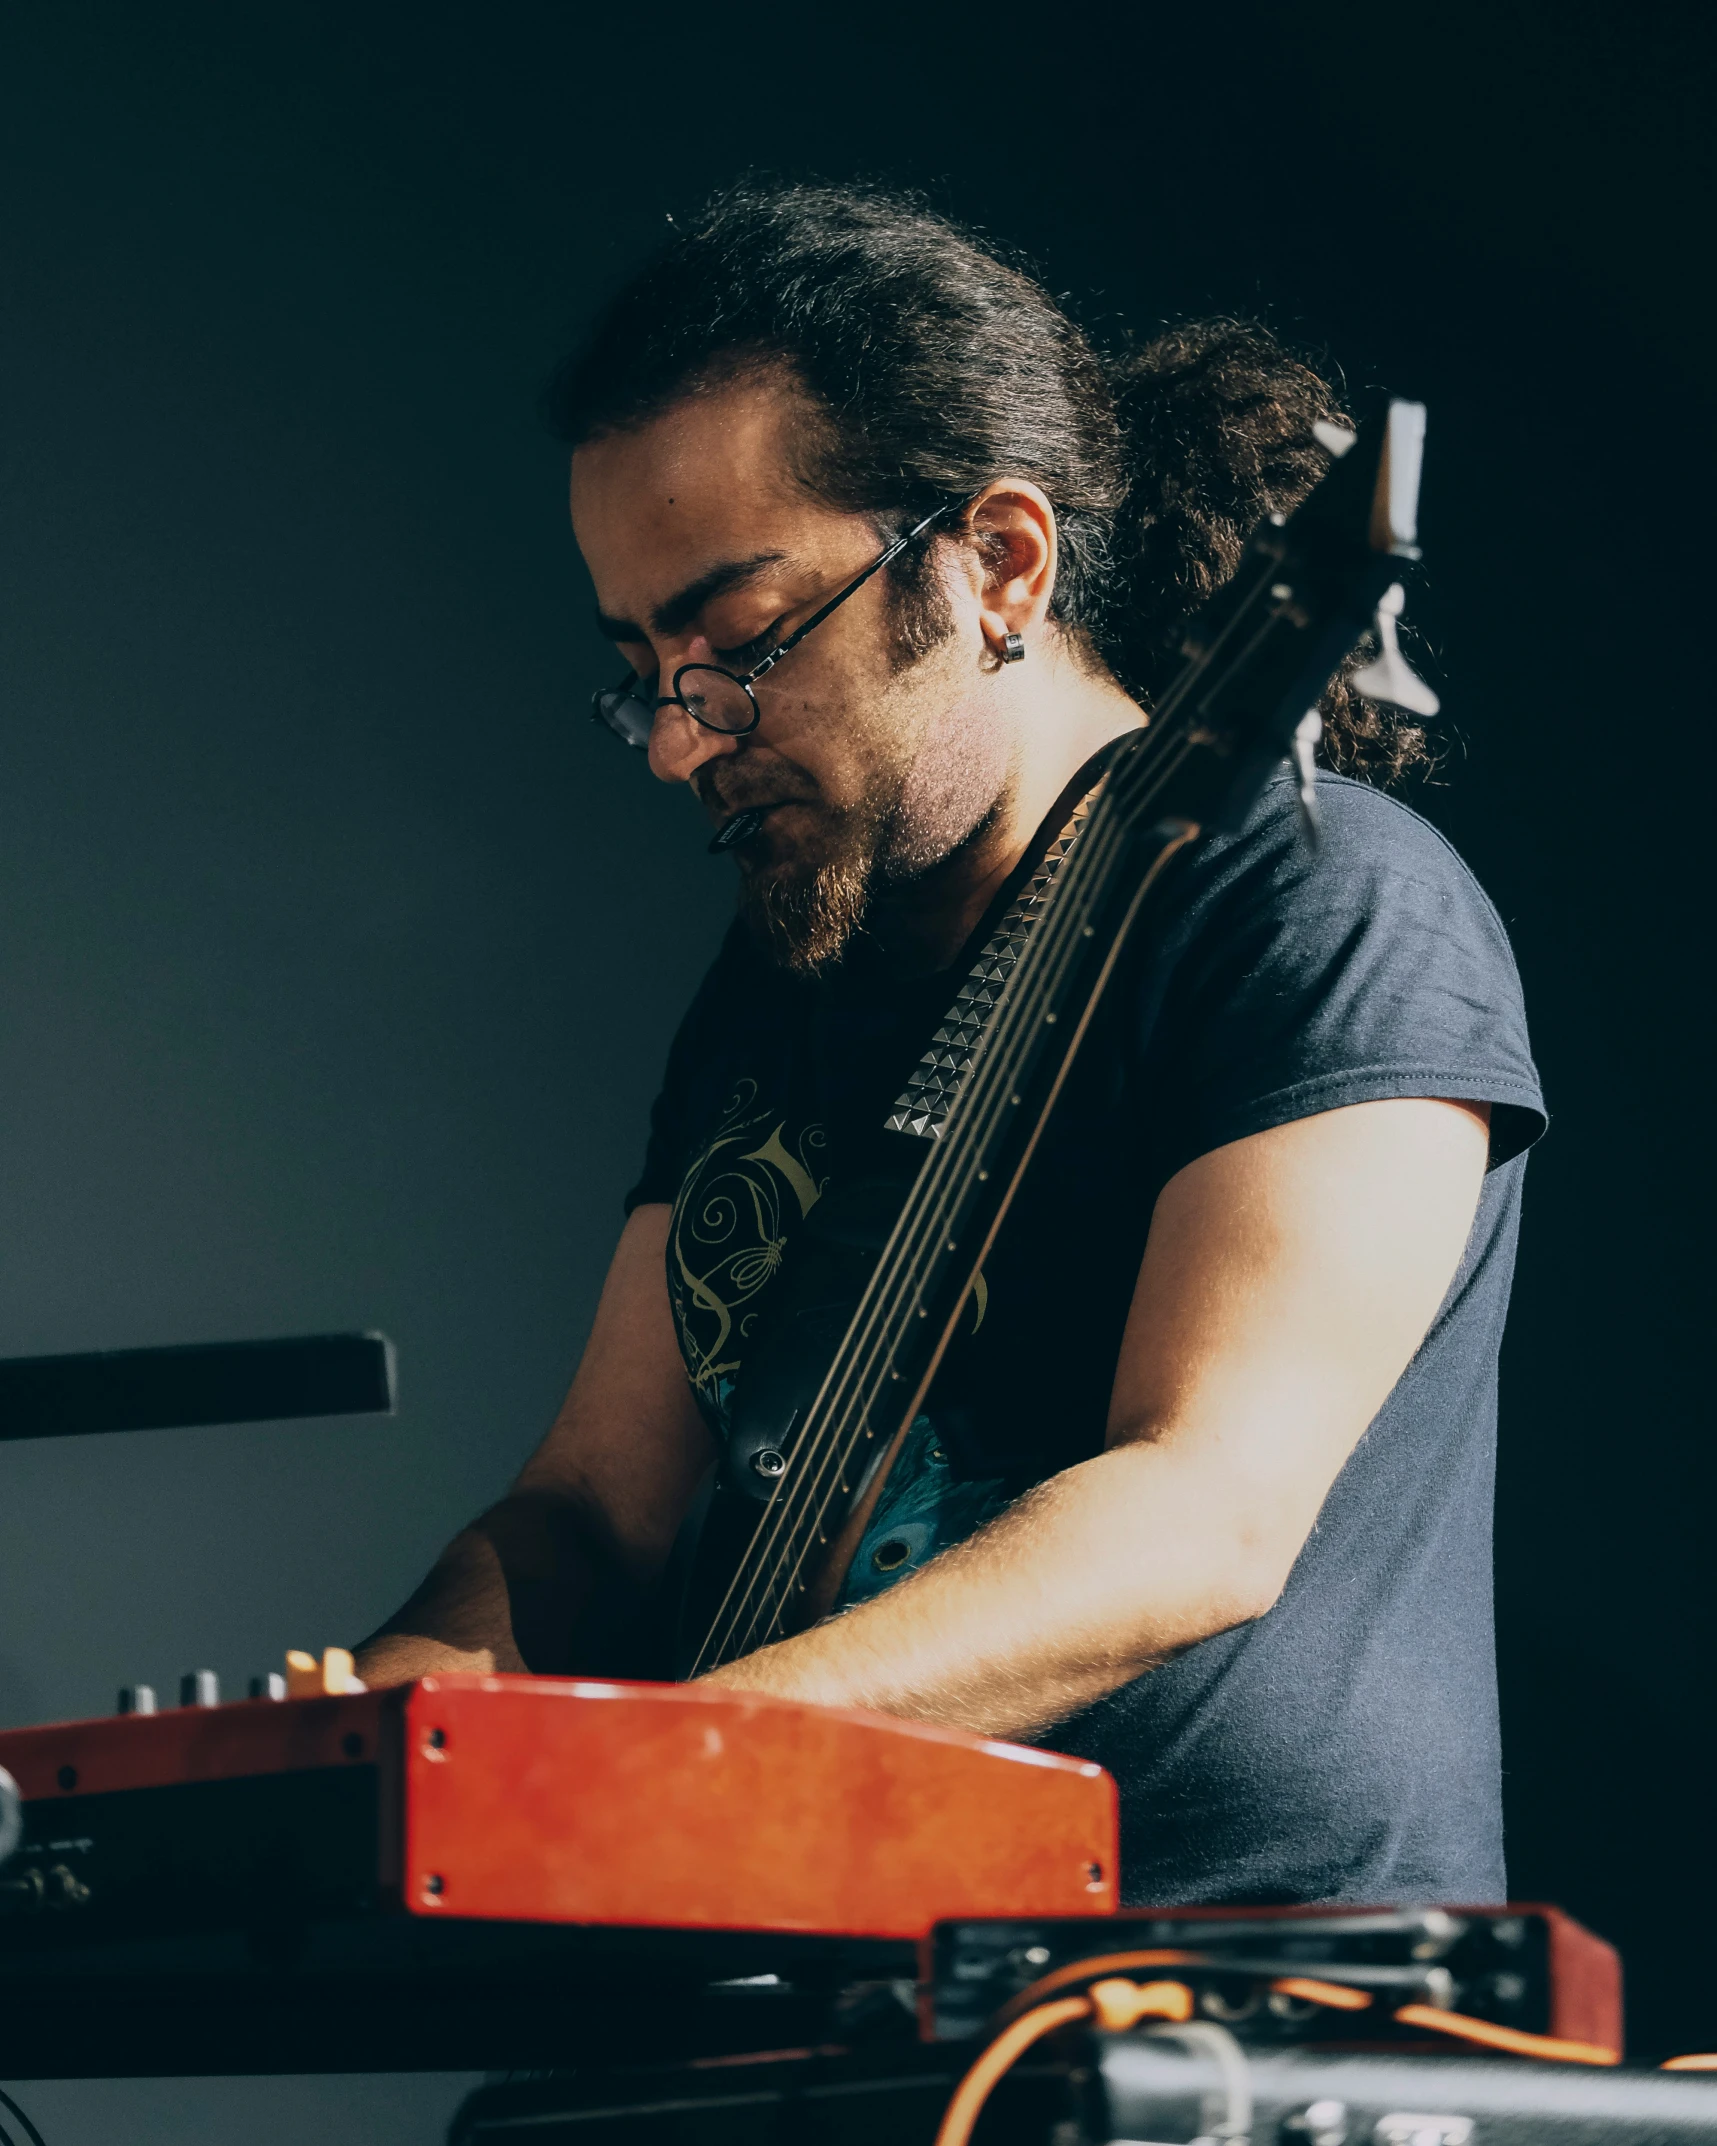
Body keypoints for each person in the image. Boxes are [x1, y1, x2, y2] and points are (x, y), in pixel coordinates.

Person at [355, 182, 1544, 1909]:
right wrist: (379, 1737)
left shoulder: (1325, 908)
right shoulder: (786, 975)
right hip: (803, 1985)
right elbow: (596, 1512)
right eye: (644, 670)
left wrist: (646, 1761)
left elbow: (1198, 1512)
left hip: (1209, 2017)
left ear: (998, 561)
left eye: (739, 644)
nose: (679, 748)